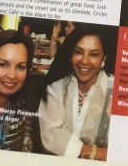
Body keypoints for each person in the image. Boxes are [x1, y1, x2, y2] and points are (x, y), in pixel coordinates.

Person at [39, 26, 115, 160]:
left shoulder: (117, 91)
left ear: (104, 59)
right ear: (70, 55)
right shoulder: (56, 87)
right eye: (78, 52)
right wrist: (95, 152)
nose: (84, 61)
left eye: (93, 54)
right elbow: (50, 135)